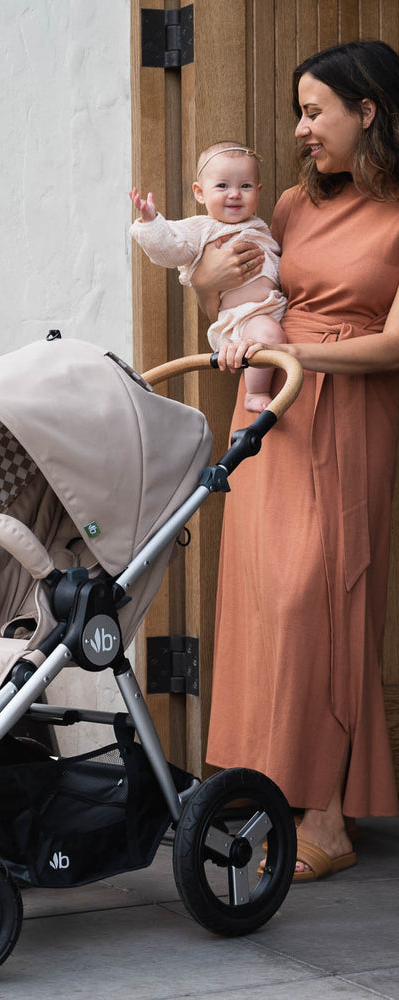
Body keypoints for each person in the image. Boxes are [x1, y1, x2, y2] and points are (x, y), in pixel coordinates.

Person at [193, 39, 399, 882]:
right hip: (272, 412)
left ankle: (329, 814)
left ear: (369, 112)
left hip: (347, 409)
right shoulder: (288, 201)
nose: (300, 128)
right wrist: (210, 272)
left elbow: (396, 345)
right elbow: (234, 286)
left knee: (327, 594)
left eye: (315, 111)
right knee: (267, 598)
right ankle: (268, 786)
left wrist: (305, 361)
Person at [129, 142, 287, 411]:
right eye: (223, 186)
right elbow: (169, 250)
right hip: (243, 317)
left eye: (245, 186)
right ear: (200, 193)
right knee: (267, 333)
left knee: (272, 334)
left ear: (258, 192)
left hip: (274, 308)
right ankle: (255, 392)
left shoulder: (261, 226)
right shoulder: (201, 228)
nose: (235, 194)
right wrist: (151, 221)